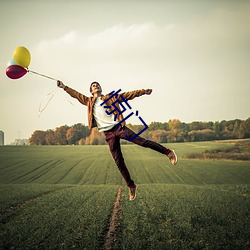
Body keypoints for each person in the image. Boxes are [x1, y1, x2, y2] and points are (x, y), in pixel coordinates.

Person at [57, 81, 177, 201]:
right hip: (108, 134)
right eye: (93, 86)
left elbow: (128, 95)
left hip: (119, 128)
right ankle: (131, 185)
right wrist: (63, 87)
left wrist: (143, 92)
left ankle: (168, 152)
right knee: (119, 161)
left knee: (143, 142)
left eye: (97, 84)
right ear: (91, 91)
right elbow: (75, 94)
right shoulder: (88, 101)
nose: (96, 86)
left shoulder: (111, 97)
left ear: (100, 88)